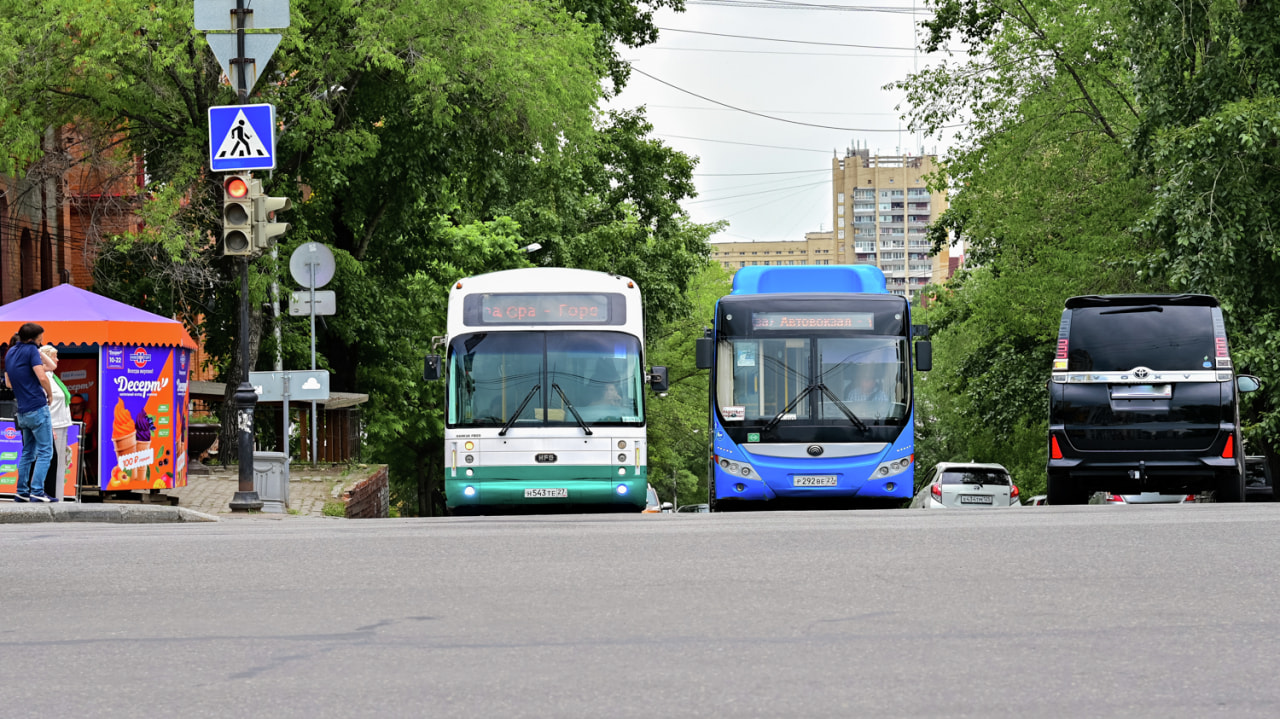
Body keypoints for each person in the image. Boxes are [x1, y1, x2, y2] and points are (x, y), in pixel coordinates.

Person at [3, 323, 55, 502]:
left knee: (27, 452)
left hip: (23, 410)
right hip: (37, 406)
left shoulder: (10, 353)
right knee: (46, 451)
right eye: (41, 337)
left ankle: (22, 491)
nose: (42, 340)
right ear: (32, 339)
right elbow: (42, 376)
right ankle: (37, 491)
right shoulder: (31, 350)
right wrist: (49, 394)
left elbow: (9, 381)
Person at [39, 345, 73, 501]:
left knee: (61, 464)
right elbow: (45, 403)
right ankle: (51, 494)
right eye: (54, 356)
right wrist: (50, 425)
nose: (57, 359)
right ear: (45, 357)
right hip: (54, 424)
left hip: (63, 423)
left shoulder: (53, 377)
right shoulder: (44, 378)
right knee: (52, 462)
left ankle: (59, 496)